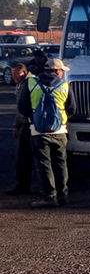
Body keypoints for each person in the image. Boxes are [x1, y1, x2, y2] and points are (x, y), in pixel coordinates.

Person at [18, 58, 75, 208]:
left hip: (38, 131)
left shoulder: (31, 84)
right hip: (60, 131)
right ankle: (63, 195)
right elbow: (72, 108)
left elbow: (22, 106)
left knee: (44, 164)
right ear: (57, 71)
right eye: (61, 70)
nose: (62, 73)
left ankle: (50, 196)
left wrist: (34, 118)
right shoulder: (65, 86)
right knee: (61, 163)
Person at [6, 63, 34, 196]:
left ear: (24, 72)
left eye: (16, 74)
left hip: (29, 124)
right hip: (27, 123)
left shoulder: (30, 84)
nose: (14, 77)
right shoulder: (22, 83)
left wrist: (18, 125)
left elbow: (22, 108)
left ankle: (23, 185)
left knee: (24, 156)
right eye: (12, 74)